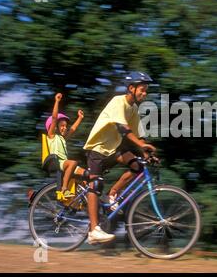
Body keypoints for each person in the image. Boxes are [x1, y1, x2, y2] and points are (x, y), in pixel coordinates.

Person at [83, 71, 157, 245]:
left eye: (146, 90)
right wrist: (140, 146)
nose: (144, 93)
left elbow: (139, 134)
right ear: (131, 88)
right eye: (142, 90)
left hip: (113, 149)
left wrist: (149, 153)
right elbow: (123, 129)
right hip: (97, 148)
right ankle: (94, 231)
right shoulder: (118, 102)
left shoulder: (133, 109)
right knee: (95, 184)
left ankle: (112, 194)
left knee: (139, 167)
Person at [45, 93, 87, 197]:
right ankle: (64, 188)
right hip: (58, 163)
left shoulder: (62, 138)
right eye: (62, 126)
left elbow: (73, 129)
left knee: (87, 175)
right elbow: (54, 118)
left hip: (66, 165)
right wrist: (57, 101)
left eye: (66, 126)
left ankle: (83, 198)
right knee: (73, 163)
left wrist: (80, 118)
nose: (65, 128)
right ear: (55, 127)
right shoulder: (52, 136)